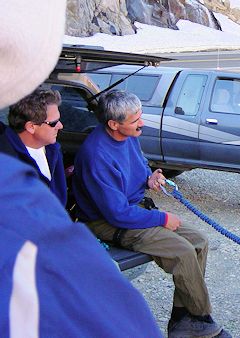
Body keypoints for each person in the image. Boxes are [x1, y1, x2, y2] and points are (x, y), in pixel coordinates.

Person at [1, 1, 163, 336]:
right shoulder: (9, 175)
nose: (63, 126)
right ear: (31, 128)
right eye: (56, 121)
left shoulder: (55, 152)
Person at [72, 90, 230, 338]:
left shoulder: (129, 136)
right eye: (135, 120)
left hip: (134, 212)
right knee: (182, 252)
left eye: (140, 117)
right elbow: (116, 214)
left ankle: (182, 318)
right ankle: (200, 318)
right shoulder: (96, 155)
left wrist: (150, 177)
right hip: (107, 223)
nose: (141, 123)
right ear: (114, 124)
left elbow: (139, 164)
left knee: (199, 242)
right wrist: (163, 219)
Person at [0, 89, 67, 206]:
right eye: (53, 123)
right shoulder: (6, 163)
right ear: (31, 127)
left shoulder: (53, 150)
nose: (60, 126)